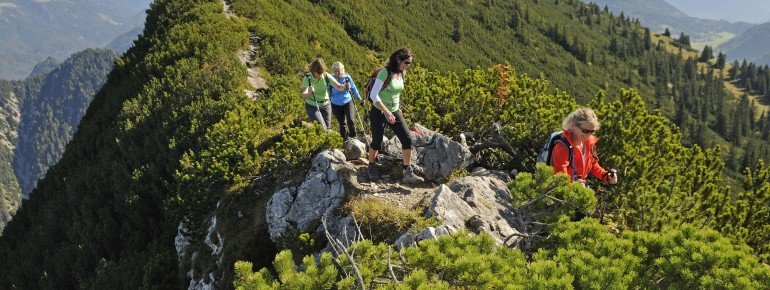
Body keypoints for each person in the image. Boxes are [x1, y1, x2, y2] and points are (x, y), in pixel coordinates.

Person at [367, 48, 422, 183]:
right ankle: (371, 165)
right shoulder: (384, 73)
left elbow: (396, 91)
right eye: (407, 62)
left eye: (410, 63)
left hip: (395, 111)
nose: (409, 65)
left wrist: (398, 108)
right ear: (398, 60)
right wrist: (386, 111)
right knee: (377, 141)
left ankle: (407, 171)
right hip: (379, 111)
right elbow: (374, 95)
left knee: (407, 139)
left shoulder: (402, 72)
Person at [551, 108, 618, 186]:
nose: (588, 135)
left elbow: (593, 165)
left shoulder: (590, 142)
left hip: (579, 187)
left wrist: (606, 176)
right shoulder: (562, 147)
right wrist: (575, 185)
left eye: (592, 131)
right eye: (585, 131)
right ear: (573, 126)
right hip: (564, 192)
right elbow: (560, 179)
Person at [300, 58, 350, 131]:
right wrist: (310, 93)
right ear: (313, 71)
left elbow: (338, 87)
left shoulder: (326, 76)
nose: (320, 74)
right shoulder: (308, 78)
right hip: (312, 106)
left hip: (326, 105)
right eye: (318, 72)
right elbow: (303, 96)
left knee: (327, 129)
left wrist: (345, 87)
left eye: (322, 72)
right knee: (321, 128)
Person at [329, 61, 363, 139]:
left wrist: (359, 98)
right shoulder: (330, 78)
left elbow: (353, 88)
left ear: (342, 70)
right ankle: (344, 140)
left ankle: (353, 137)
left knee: (351, 120)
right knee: (342, 123)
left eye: (339, 71)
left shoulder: (347, 77)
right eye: (335, 71)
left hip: (347, 101)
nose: (337, 73)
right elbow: (326, 89)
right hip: (335, 103)